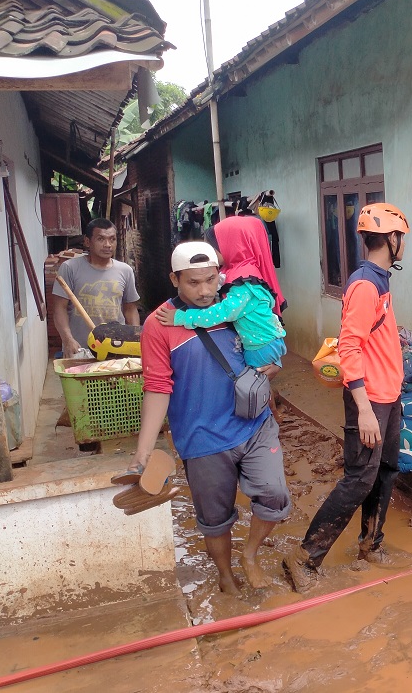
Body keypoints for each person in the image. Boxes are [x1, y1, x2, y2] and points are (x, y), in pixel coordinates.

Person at [126, 241, 290, 592]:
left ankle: (250, 555)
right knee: (214, 519)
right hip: (201, 438)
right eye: (193, 283)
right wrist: (144, 449)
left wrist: (270, 368)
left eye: (211, 280)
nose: (204, 291)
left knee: (274, 494)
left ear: (220, 274)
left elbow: (268, 348)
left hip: (255, 423)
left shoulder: (237, 304)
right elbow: (157, 387)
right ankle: (226, 576)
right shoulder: (159, 326)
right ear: (174, 279)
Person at [283, 203, 410, 592]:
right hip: (369, 401)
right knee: (359, 479)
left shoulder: (379, 280)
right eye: (401, 238)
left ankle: (370, 545)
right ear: (391, 239)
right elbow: (350, 348)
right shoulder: (365, 285)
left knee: (385, 472)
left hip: (388, 396)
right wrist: (365, 410)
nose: (403, 244)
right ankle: (304, 556)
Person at [154, 216, 287, 370]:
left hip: (260, 348)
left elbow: (223, 312)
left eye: (213, 246)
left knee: (250, 388)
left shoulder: (245, 282)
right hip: (262, 344)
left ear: (232, 245)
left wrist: (183, 317)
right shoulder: (241, 272)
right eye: (194, 282)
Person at [51, 218, 140, 358]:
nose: (107, 245)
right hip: (80, 349)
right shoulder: (70, 268)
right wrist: (67, 339)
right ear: (87, 241)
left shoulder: (125, 271)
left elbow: (130, 309)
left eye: (112, 239)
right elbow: (59, 308)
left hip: (117, 347)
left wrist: (136, 340)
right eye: (101, 239)